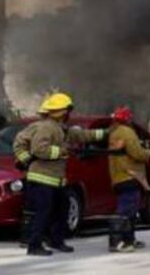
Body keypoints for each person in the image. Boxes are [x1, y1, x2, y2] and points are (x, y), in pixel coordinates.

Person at [12, 92, 106, 257]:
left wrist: (106, 133)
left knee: (61, 210)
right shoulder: (47, 127)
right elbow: (39, 149)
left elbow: (83, 135)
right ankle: (34, 245)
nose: (70, 114)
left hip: (55, 179)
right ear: (63, 112)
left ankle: (56, 241)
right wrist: (62, 151)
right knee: (44, 211)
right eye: (68, 111)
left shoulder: (60, 128)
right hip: (42, 178)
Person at [107, 106, 150, 253]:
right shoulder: (127, 132)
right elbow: (137, 153)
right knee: (125, 210)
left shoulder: (114, 133)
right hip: (129, 175)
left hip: (118, 176)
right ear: (127, 119)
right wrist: (147, 152)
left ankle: (129, 240)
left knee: (131, 210)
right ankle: (116, 242)